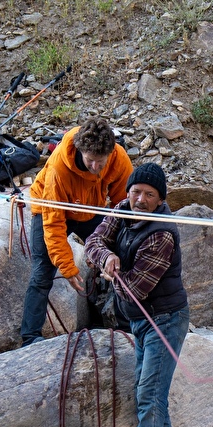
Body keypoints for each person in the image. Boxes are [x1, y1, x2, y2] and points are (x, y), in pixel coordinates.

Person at [84, 162, 191, 427]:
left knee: (149, 393)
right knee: (151, 393)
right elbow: (93, 240)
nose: (140, 199)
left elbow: (135, 290)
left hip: (166, 320)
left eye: (149, 194)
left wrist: (110, 273)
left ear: (160, 200)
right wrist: (105, 258)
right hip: (141, 321)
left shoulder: (162, 234)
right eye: (136, 192)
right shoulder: (121, 209)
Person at [20, 119, 132, 347]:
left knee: (124, 249)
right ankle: (30, 337)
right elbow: (53, 224)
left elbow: (124, 204)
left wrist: (118, 240)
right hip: (51, 208)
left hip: (90, 207)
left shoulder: (118, 159)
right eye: (90, 160)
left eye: (101, 162)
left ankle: (125, 321)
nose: (95, 167)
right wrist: (68, 267)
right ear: (80, 151)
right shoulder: (59, 169)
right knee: (42, 273)